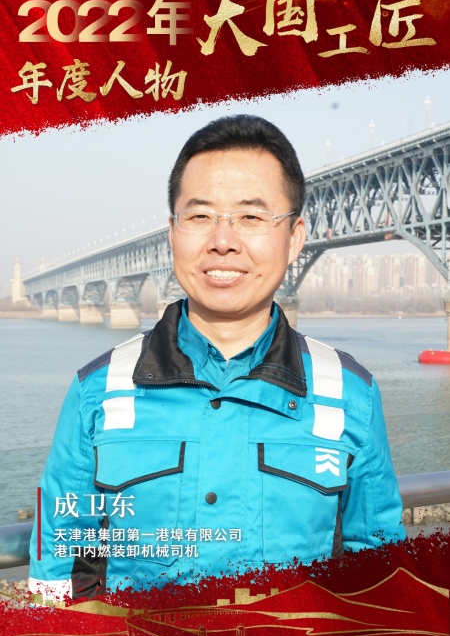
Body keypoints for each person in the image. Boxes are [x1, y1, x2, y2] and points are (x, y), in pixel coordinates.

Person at [29, 115, 405, 601]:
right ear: (172, 233)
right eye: (200, 216)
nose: (223, 241)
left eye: (251, 218)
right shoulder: (98, 390)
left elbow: (380, 580)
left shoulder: (351, 393)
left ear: (294, 237)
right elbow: (57, 567)